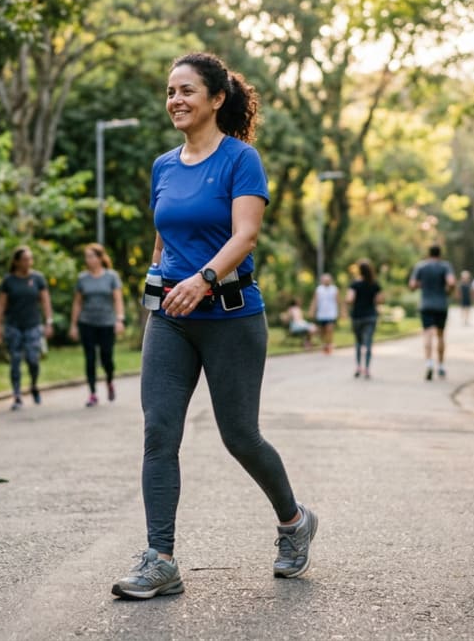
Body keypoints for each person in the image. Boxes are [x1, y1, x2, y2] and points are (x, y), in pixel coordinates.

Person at [112, 52, 316, 600]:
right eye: (170, 91)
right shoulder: (163, 165)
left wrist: (202, 279)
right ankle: (161, 559)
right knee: (159, 432)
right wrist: (157, 275)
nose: (175, 100)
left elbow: (244, 236)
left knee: (240, 437)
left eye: (186, 91)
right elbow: (164, 232)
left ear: (216, 98)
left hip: (230, 316)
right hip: (171, 320)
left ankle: (294, 522)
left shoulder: (240, 160)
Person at [0, 246, 53, 411]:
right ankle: (17, 395)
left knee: (33, 359)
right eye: (25, 259)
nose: (28, 262)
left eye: (30, 259)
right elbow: (1, 305)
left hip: (33, 325)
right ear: (17, 262)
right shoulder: (9, 281)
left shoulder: (38, 278)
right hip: (13, 326)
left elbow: (46, 301)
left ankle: (33, 385)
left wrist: (49, 322)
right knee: (15, 361)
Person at [68, 243, 125, 407]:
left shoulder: (111, 276)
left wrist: (119, 319)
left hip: (107, 322)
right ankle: (92, 393)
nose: (89, 260)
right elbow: (77, 303)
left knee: (107, 357)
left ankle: (109, 381)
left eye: (92, 256)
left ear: (100, 258)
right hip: (87, 322)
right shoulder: (82, 278)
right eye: (87, 257)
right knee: (90, 358)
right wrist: (73, 325)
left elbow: (118, 299)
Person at [409, 244, 456, 381]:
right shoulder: (445, 266)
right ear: (440, 254)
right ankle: (441, 366)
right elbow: (451, 282)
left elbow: (412, 285)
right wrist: (448, 291)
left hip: (426, 305)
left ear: (428, 253)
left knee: (427, 334)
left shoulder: (421, 266)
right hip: (441, 305)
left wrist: (421, 284)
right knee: (441, 336)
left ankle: (429, 363)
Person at [347, 258, 385, 379]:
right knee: (368, 343)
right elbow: (380, 300)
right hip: (370, 316)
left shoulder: (354, 284)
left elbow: (350, 299)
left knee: (358, 342)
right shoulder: (375, 284)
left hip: (357, 316)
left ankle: (358, 366)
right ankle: (367, 369)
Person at [309, 272, 340, 354]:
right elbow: (315, 301)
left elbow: (338, 301)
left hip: (331, 313)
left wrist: (341, 312)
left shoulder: (334, 289)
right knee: (323, 331)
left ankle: (329, 345)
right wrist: (312, 310)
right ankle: (325, 344)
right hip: (321, 314)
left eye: (328, 280)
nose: (326, 281)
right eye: (325, 280)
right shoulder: (319, 289)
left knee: (329, 329)